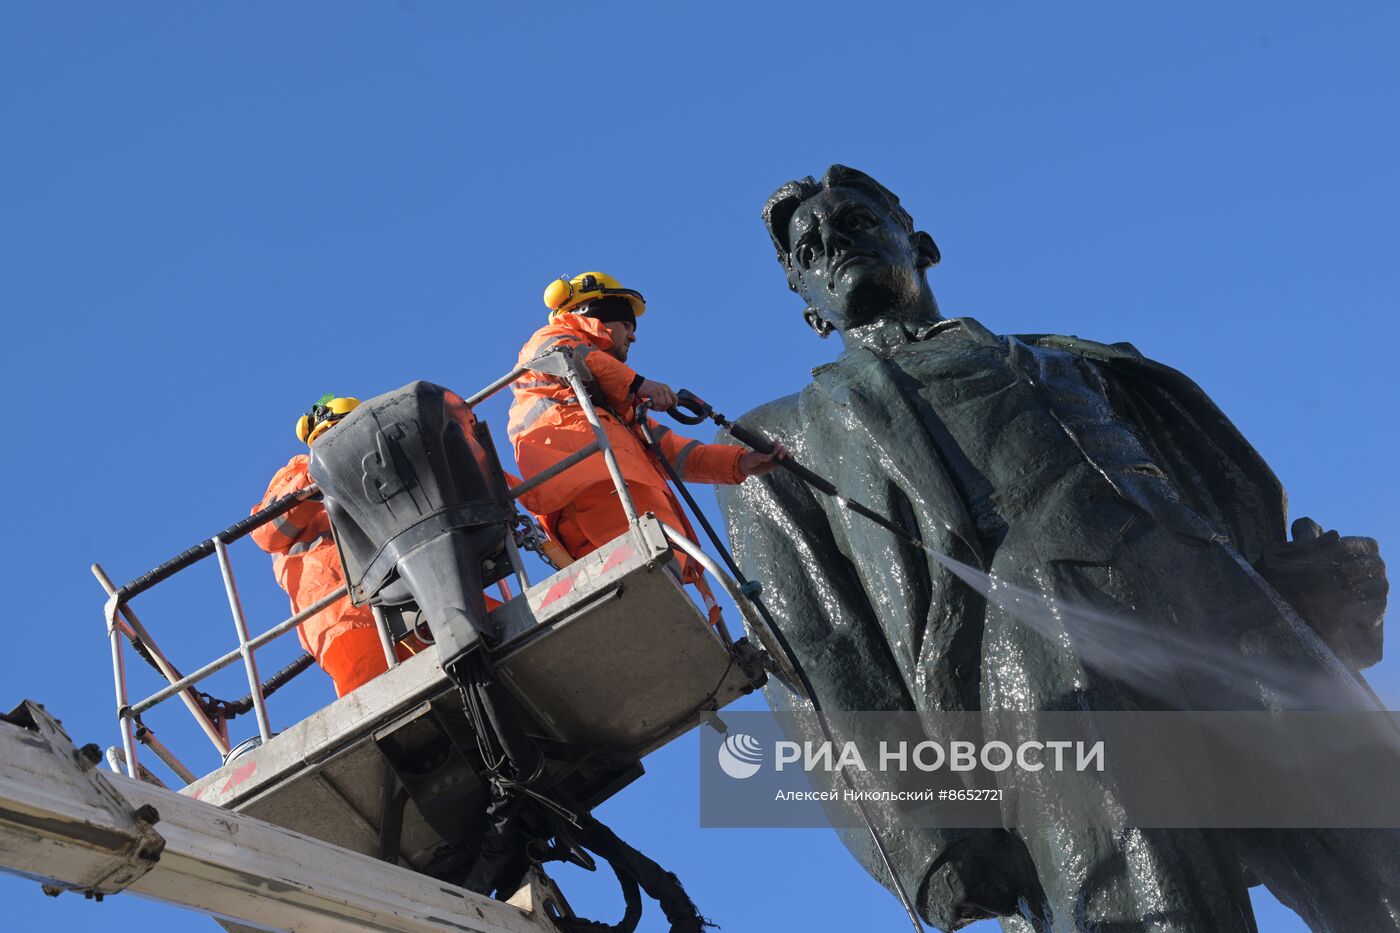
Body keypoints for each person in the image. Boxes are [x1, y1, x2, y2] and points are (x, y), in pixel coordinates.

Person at [716, 165, 1394, 931]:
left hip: (1213, 593)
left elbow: (1225, 502)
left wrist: (1310, 597)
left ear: (921, 243)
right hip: (1029, 653)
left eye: (857, 223)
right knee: (1147, 903)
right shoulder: (774, 445)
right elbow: (815, 646)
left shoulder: (1090, 365)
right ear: (807, 307)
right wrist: (930, 838)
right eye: (811, 248)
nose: (834, 243)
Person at [508, 271, 786, 575]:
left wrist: (742, 463)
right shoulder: (551, 340)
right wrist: (637, 383)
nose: (633, 335)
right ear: (592, 317)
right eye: (625, 324)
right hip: (601, 484)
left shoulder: (613, 410)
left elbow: (672, 452)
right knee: (655, 582)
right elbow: (566, 356)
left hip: (598, 495)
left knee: (646, 592)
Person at [252, 393, 427, 696]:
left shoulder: (383, 465)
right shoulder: (296, 475)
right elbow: (266, 532)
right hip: (343, 618)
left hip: (416, 590)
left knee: (490, 635)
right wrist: (319, 472)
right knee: (381, 704)